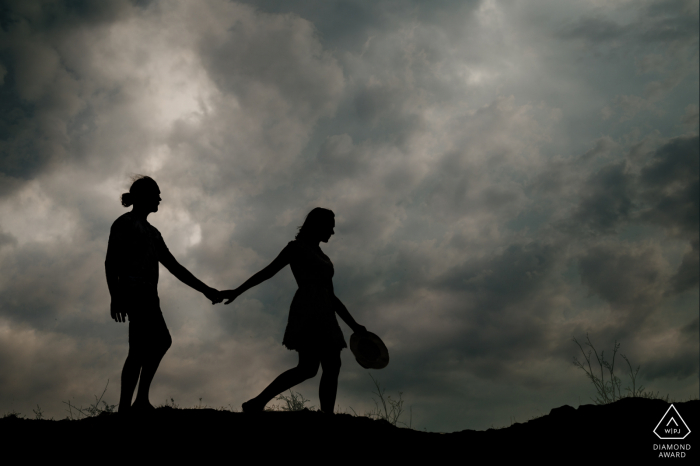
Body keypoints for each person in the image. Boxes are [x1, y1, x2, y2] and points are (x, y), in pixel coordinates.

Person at [220, 208, 366, 414]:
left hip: (326, 312)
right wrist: (237, 291)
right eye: (330, 226)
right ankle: (257, 403)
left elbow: (332, 296)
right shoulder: (296, 248)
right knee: (309, 368)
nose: (333, 232)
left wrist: (354, 325)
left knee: (331, 365)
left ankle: (325, 414)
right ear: (318, 225)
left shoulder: (322, 255)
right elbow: (267, 272)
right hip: (307, 310)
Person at [105, 176, 222, 414]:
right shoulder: (125, 223)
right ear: (140, 196)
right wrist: (115, 295)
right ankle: (129, 407)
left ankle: (135, 404)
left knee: (151, 344)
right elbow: (111, 261)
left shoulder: (153, 233)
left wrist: (206, 290)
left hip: (147, 294)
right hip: (133, 290)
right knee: (146, 346)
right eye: (155, 193)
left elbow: (175, 267)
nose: (159, 198)